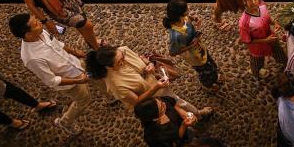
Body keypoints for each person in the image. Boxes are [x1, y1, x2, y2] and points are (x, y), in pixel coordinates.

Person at [9, 13, 91, 135]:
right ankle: (65, 122)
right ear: (28, 34)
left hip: (75, 64)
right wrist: (78, 81)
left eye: (36, 19)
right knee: (84, 100)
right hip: (71, 81)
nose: (40, 22)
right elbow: (51, 81)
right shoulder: (31, 58)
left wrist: (75, 52)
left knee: (94, 74)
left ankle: (110, 93)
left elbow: (58, 45)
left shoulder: (40, 32)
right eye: (36, 23)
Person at [85, 45, 213, 119]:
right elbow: (136, 101)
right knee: (170, 114)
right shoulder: (116, 85)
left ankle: (197, 114)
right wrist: (156, 87)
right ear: (109, 67)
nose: (124, 60)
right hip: (152, 100)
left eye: (123, 57)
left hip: (160, 86)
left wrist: (150, 64)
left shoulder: (123, 50)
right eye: (120, 62)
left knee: (178, 101)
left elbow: (142, 60)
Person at [163, 0, 220, 89]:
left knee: (209, 63)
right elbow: (172, 52)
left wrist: (194, 18)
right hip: (194, 56)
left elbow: (188, 18)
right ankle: (209, 85)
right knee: (204, 71)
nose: (188, 8)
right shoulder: (175, 35)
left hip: (200, 48)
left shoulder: (183, 18)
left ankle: (214, 77)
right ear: (179, 14)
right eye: (186, 9)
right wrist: (191, 46)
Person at [238, 0, 286, 79]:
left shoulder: (262, 5)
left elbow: (267, 17)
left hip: (270, 37)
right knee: (257, 62)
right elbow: (247, 41)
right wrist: (265, 40)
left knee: (279, 51)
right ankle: (256, 72)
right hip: (257, 47)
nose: (253, 2)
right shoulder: (244, 22)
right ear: (244, 1)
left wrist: (274, 23)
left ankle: (285, 64)